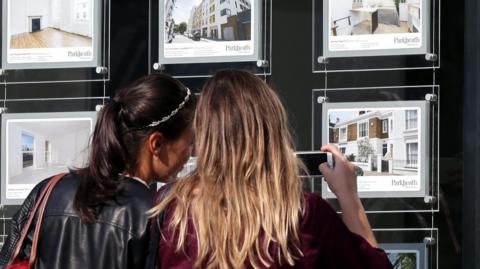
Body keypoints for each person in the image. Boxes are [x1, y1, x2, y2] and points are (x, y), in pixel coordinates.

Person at [150, 70, 393, 269]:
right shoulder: (303, 214)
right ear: (272, 133)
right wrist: (349, 196)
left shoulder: (170, 207)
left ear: (203, 134)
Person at [0, 74, 195, 269]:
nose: (191, 152)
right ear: (157, 143)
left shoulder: (47, 191)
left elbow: (7, 259)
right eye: (189, 142)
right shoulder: (156, 212)